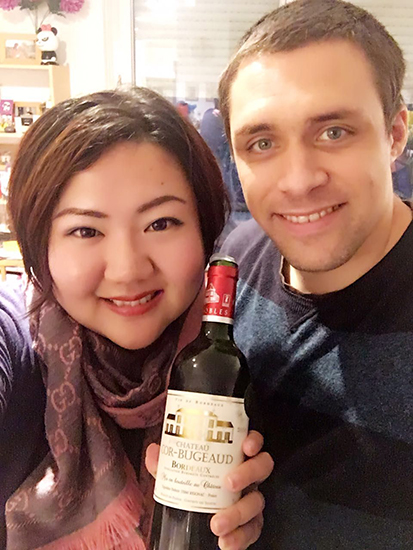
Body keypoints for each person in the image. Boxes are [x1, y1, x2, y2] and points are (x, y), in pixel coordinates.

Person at [0, 88, 273, 550]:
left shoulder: (238, 362)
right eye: (85, 230)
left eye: (161, 224)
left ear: (205, 230)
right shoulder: (16, 339)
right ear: (40, 247)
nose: (127, 270)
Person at [217, 0, 413, 548]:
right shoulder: (239, 259)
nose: (299, 181)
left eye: (334, 132)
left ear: (395, 134)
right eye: (262, 143)